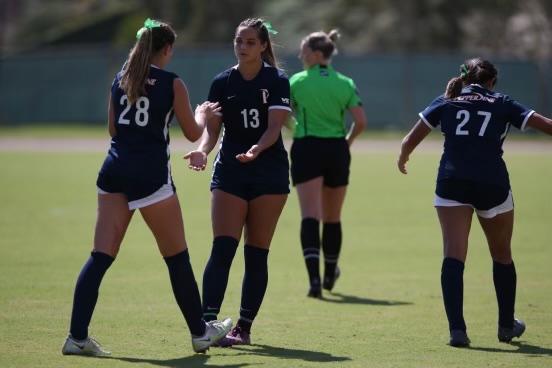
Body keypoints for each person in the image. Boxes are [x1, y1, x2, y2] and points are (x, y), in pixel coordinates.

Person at [61, 18, 232, 356]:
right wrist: (202, 113)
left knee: (100, 256)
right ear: (166, 49)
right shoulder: (172, 82)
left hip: (113, 170)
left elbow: (113, 129)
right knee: (177, 258)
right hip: (150, 175)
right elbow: (195, 134)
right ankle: (200, 332)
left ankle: (76, 337)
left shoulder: (120, 78)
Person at [398, 57, 552, 347]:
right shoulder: (503, 101)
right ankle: (506, 326)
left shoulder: (447, 100)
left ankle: (457, 331)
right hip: (492, 183)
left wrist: (403, 157)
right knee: (502, 254)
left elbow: (409, 140)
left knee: (453, 255)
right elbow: (546, 125)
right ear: (492, 81)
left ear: (464, 78)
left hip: (451, 181)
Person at [184, 18, 291, 346]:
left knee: (257, 253)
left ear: (262, 46)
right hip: (231, 170)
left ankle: (243, 328)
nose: (242, 47)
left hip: (268, 172)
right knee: (223, 248)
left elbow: (274, 128)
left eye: (249, 42)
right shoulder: (222, 82)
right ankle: (206, 326)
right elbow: (212, 132)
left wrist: (257, 149)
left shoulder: (277, 80)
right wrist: (202, 150)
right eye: (238, 41)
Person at [288, 30, 367, 298]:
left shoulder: (296, 81)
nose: (301, 55)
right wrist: (347, 141)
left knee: (310, 214)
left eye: (304, 51)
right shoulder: (345, 83)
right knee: (333, 218)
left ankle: (314, 282)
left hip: (306, 147)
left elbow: (284, 114)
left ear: (317, 54)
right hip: (336, 149)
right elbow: (361, 121)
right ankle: (330, 273)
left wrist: (296, 127)